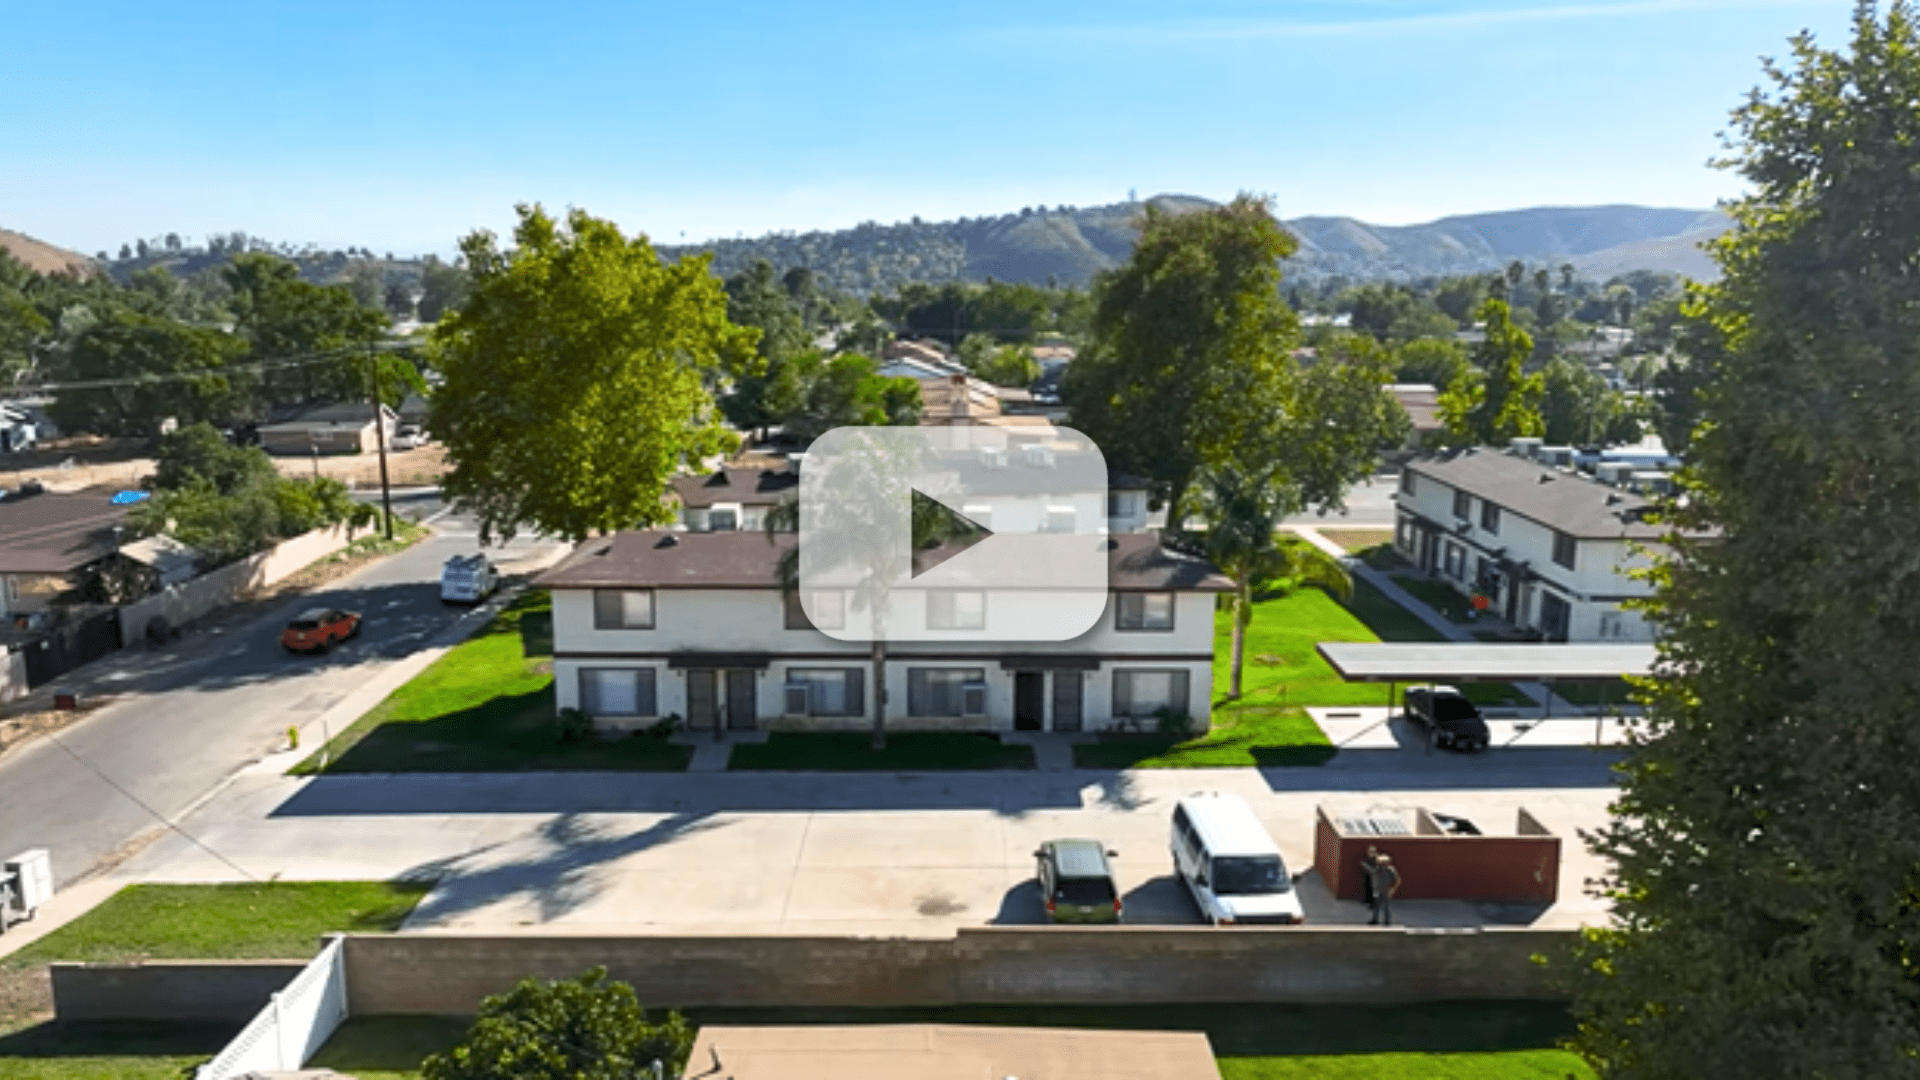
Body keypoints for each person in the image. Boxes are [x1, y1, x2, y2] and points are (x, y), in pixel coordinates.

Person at [1367, 853, 1401, 925]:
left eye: (1384, 862)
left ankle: (1387, 920)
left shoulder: (1391, 870)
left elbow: (1398, 880)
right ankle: (1375, 920)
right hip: (1377, 890)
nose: (1382, 864)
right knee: (1376, 905)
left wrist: (1392, 889)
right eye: (1380, 862)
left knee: (1386, 906)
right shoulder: (1377, 869)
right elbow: (1372, 876)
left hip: (1386, 890)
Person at [1359, 845, 1379, 910]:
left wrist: (1366, 866)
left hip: (1374, 878)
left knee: (1373, 891)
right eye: (1370, 851)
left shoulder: (1377, 858)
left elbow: (1375, 869)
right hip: (1367, 876)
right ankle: (1367, 899)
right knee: (1367, 888)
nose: (1371, 852)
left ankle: (1373, 904)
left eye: (1373, 851)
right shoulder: (1367, 857)